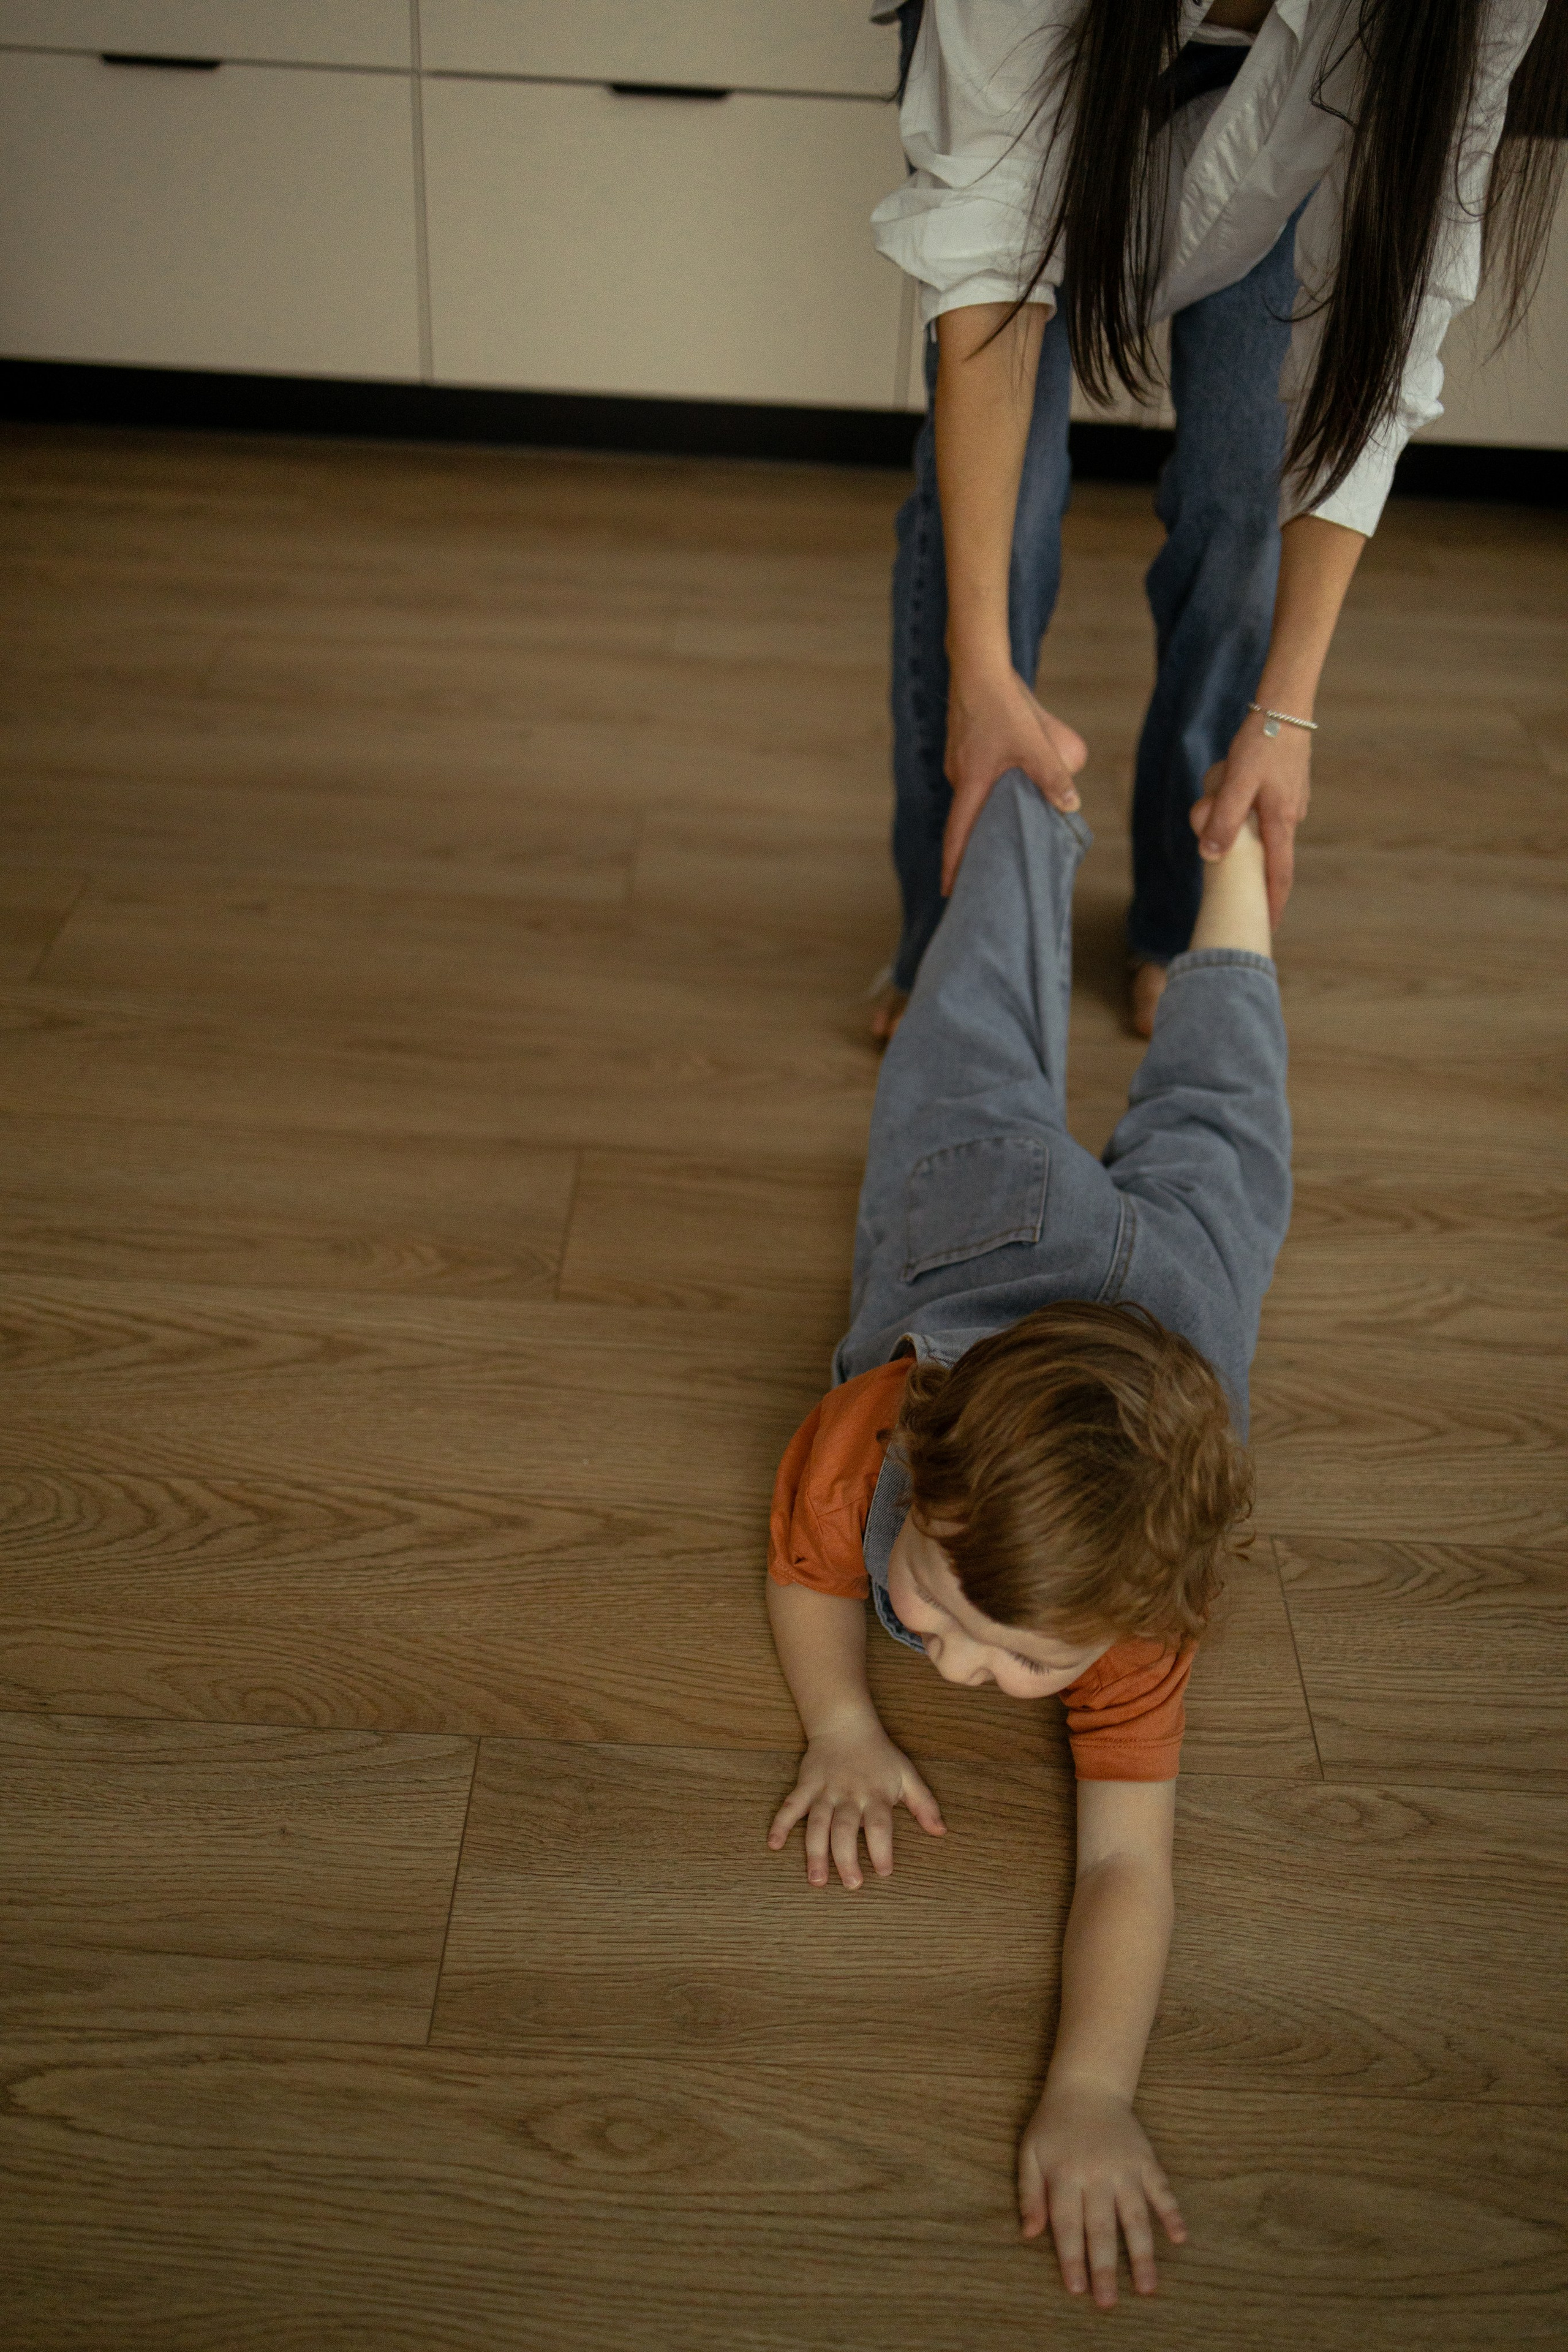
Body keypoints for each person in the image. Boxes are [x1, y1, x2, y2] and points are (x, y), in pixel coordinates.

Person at [765, 764, 1289, 2309]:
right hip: (979, 1219)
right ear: (917, 1449)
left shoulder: (1137, 1609)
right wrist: (839, 1723)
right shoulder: (878, 1423)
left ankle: (1235, 869)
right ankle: (1023, 802)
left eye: (1017, 1657)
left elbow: (1129, 1864)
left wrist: (1090, 2089)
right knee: (965, 1033)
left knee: (1224, 1118)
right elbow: (802, 1564)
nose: (962, 1668)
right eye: (934, 1601)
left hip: (1167, 1289)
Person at [869, 0, 1565, 1038]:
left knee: (1242, 510)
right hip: (1039, 95)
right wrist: (979, 671)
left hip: (1281, 131)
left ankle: (1175, 922)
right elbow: (992, 261)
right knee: (997, 526)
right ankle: (952, 933)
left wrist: (1285, 713)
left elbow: (1393, 326)